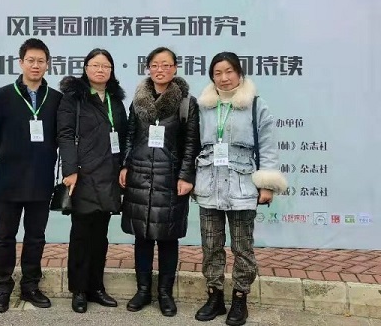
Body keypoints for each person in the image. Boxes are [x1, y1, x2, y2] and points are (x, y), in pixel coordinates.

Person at [193, 52, 287, 326]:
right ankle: (214, 297)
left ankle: (239, 298)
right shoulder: (203, 106)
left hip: (242, 185)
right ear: (212, 76)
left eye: (229, 71)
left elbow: (267, 145)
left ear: (239, 73)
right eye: (217, 73)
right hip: (209, 184)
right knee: (211, 245)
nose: (224, 78)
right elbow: (192, 143)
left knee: (242, 247)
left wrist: (266, 184)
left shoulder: (256, 105)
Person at [119, 46, 200, 317]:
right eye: (155, 64)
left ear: (175, 68)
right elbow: (130, 135)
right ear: (148, 68)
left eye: (166, 65)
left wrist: (186, 176)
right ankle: (143, 291)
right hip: (140, 174)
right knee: (142, 236)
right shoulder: (138, 100)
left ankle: (165, 293)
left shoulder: (186, 103)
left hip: (170, 178)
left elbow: (191, 143)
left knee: (168, 238)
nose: (160, 69)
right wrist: (125, 164)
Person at [0, 38, 62, 313]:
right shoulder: (2, 96)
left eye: (41, 61)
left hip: (41, 179)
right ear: (21, 63)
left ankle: (30, 286)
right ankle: (3, 287)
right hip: (10, 178)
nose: (35, 65)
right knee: (5, 236)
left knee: (35, 236)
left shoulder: (56, 99)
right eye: (31, 60)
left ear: (48, 64)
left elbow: (60, 136)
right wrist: (11, 155)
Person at [57, 48, 128, 313]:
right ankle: (78, 290)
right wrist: (70, 170)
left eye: (106, 66)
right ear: (86, 68)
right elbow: (65, 135)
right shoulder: (73, 98)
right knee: (81, 235)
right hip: (83, 175)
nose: (101, 70)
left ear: (111, 71)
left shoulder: (115, 100)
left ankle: (96, 287)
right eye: (95, 65)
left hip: (109, 175)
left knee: (100, 236)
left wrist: (124, 166)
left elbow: (124, 136)